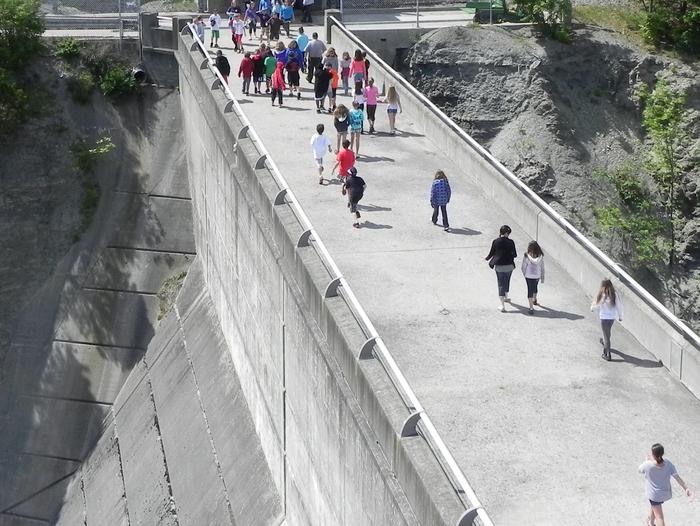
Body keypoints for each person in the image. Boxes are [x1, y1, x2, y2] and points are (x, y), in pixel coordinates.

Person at [639, 443, 692, 526]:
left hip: (654, 495)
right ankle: (651, 523)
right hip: (664, 493)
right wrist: (686, 488)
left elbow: (640, 470)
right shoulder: (668, 463)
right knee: (655, 507)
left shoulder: (648, 465)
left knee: (659, 517)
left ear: (653, 454)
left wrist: (646, 461)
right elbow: (677, 477)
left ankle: (652, 522)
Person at [485, 225, 517, 312]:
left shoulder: (496, 241)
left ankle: (502, 305)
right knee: (507, 281)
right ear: (506, 233)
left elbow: (491, 252)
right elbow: (515, 255)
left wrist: (487, 258)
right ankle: (506, 297)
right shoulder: (511, 242)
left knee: (500, 284)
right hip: (509, 266)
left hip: (499, 266)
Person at [590, 278, 623, 361]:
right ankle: (605, 343)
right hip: (611, 318)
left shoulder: (603, 295)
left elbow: (598, 305)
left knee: (606, 336)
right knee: (607, 333)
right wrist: (620, 316)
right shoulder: (614, 294)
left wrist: (592, 308)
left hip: (604, 318)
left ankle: (607, 354)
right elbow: (619, 306)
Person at [521, 241, 545, 314]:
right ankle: (534, 299)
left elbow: (523, 266)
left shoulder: (526, 255)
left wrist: (524, 273)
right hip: (537, 275)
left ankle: (531, 308)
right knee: (535, 287)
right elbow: (542, 267)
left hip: (528, 275)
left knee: (530, 289)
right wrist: (542, 277)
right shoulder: (540, 256)